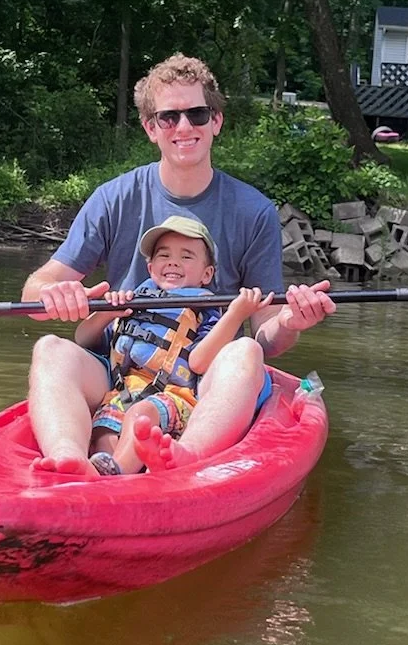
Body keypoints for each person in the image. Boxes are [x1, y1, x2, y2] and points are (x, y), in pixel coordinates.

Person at [23, 53, 336, 475]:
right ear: (151, 128)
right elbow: (34, 291)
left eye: (197, 114)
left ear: (216, 122)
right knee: (49, 349)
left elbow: (267, 334)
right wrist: (55, 293)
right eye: (169, 117)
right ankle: (68, 459)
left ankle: (185, 456)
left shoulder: (254, 211)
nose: (184, 127)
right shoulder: (113, 198)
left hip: (200, 381)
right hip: (120, 371)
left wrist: (291, 323)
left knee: (244, 351)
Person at [79, 216, 266, 475]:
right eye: (164, 255)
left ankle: (120, 474)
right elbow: (83, 340)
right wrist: (107, 313)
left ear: (207, 273)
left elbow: (198, 362)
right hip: (124, 392)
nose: (173, 262)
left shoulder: (206, 309)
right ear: (151, 267)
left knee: (141, 415)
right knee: (105, 427)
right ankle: (108, 470)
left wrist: (236, 315)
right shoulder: (134, 299)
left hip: (175, 397)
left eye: (187, 256)